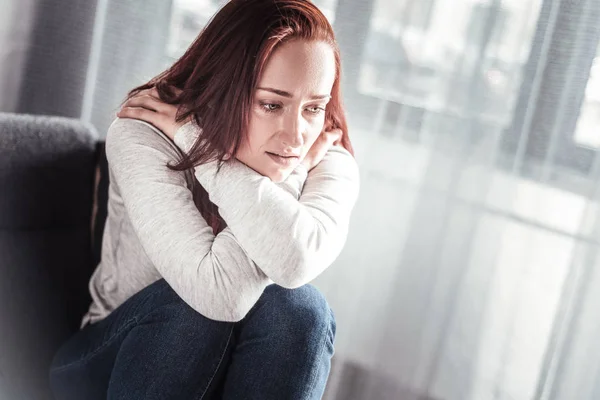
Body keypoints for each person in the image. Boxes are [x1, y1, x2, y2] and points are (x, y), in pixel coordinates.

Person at [48, 0, 359, 399]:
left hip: (230, 367)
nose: (297, 135)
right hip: (108, 360)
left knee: (301, 311)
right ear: (222, 88)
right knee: (192, 311)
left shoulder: (325, 153)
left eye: (314, 108)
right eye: (271, 104)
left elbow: (294, 261)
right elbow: (220, 295)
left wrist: (287, 172)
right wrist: (219, 153)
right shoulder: (147, 131)